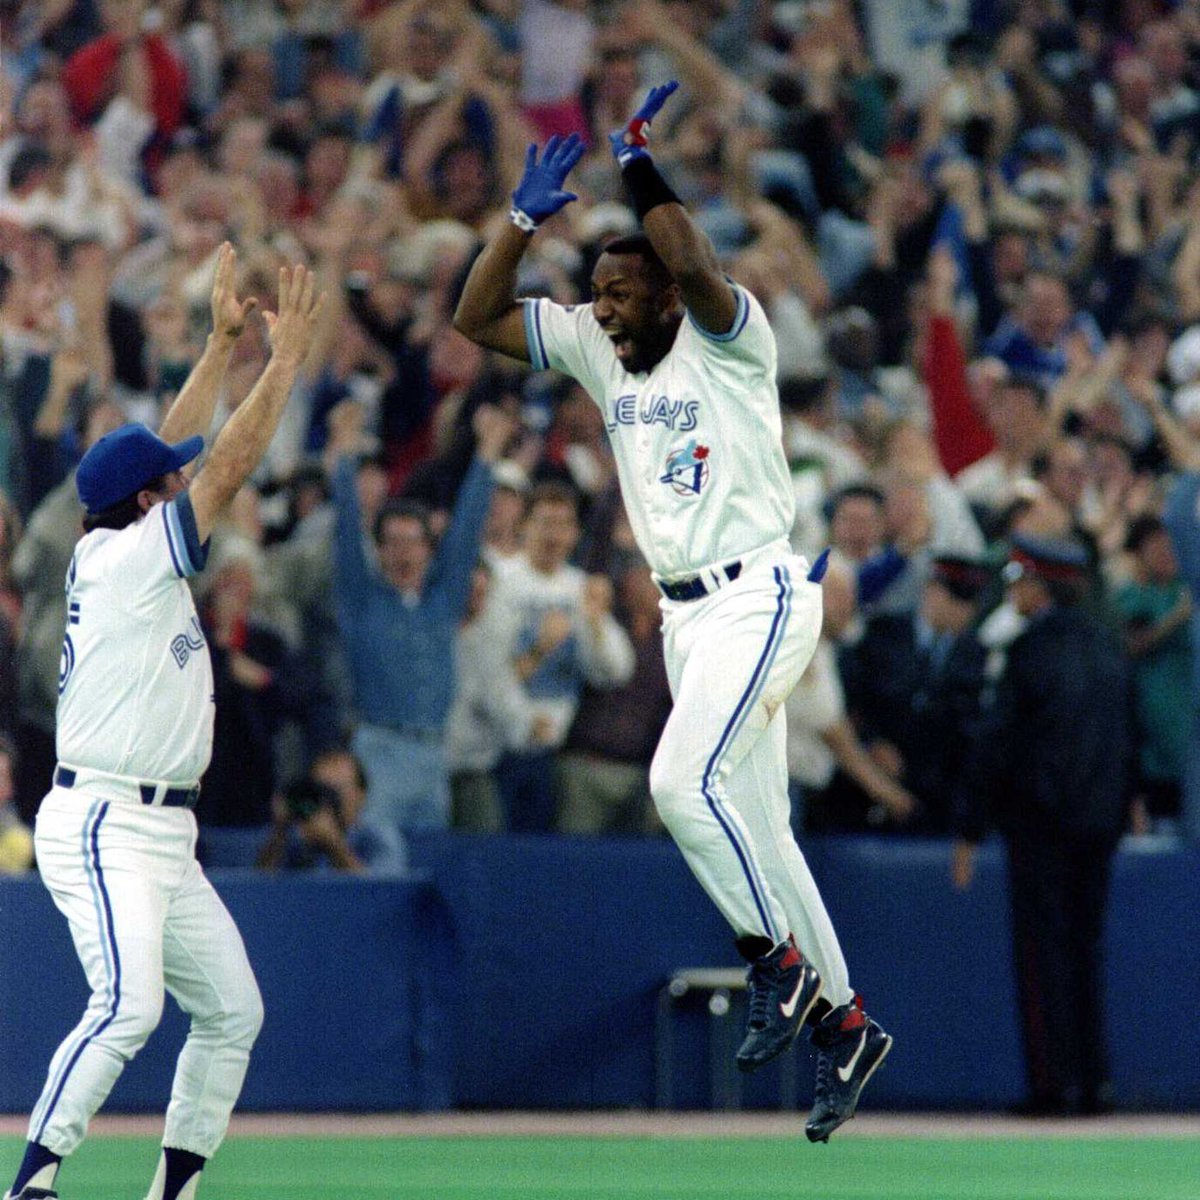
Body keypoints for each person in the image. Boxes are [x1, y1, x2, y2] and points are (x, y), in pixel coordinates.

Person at [453, 85, 891, 1143]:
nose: (601, 305)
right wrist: (517, 227)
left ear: (660, 288)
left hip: (760, 592)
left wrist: (641, 166)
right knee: (767, 839)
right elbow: (473, 318)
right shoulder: (602, 353)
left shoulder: (729, 341)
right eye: (595, 289)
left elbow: (694, 261)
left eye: (617, 288)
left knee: (676, 782)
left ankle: (775, 965)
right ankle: (847, 1024)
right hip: (687, 619)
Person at [5, 246, 324, 1200]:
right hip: (104, 816)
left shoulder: (116, 538)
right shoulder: (133, 560)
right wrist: (282, 365)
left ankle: (173, 1190)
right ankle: (32, 1181)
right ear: (147, 506)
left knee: (232, 1009)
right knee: (128, 1004)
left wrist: (223, 347)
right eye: (167, 486)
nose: (185, 484)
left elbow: (175, 448)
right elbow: (221, 461)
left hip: (157, 828)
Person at [951, 533, 1133, 1116]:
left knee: (1043, 953)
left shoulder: (1027, 653)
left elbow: (996, 746)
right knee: (1086, 949)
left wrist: (970, 827)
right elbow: (1128, 741)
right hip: (1099, 828)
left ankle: (1053, 1084)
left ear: (1039, 585)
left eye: (1021, 581)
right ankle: (1095, 1083)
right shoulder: (1109, 649)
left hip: (1040, 827)